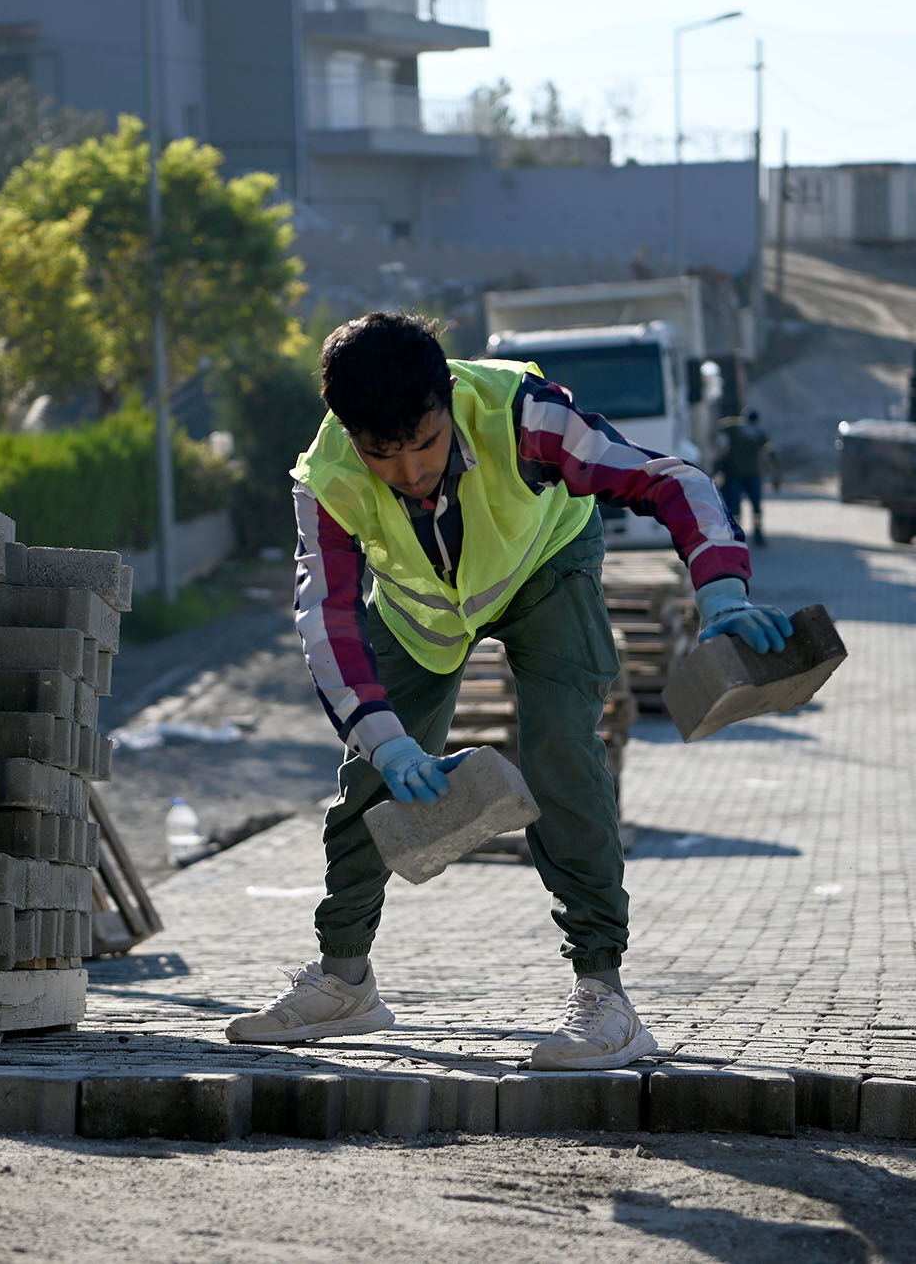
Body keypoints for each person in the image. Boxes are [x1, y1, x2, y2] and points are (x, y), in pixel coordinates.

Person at [225, 312, 794, 1069]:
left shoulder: (521, 414)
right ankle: (344, 980)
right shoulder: (327, 477)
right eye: (382, 454)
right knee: (369, 782)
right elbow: (323, 615)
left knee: (561, 751)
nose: (409, 472)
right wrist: (384, 737)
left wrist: (720, 589)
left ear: (447, 400)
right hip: (420, 608)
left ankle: (606, 998)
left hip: (544, 565)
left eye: (424, 443)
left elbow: (668, 479)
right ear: (350, 432)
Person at [716, 408, 781, 545]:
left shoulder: (734, 428)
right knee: (756, 507)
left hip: (735, 474)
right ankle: (758, 535)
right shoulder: (758, 433)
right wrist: (776, 473)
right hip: (753, 474)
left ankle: (735, 535)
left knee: (735, 507)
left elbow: (720, 427)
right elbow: (769, 452)